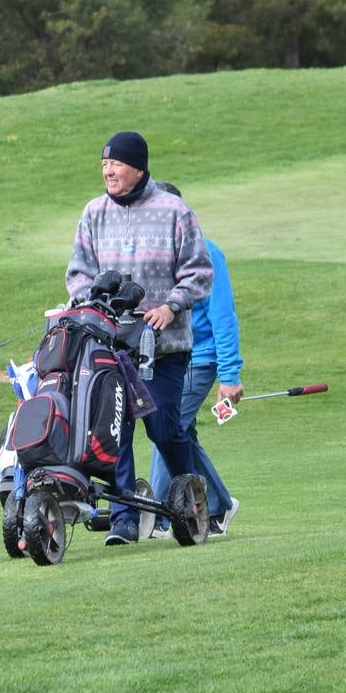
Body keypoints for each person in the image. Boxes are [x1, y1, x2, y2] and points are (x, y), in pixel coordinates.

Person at [66, 131, 212, 545]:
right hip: (111, 346)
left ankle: (190, 496)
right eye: (104, 165)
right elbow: (77, 273)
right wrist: (88, 302)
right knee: (116, 430)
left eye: (116, 164)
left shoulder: (174, 212)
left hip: (163, 348)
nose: (108, 171)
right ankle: (124, 519)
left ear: (139, 167)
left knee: (162, 429)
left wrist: (171, 305)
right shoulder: (93, 213)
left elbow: (199, 272)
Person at [146, 182, 241, 539]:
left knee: (166, 430)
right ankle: (217, 505)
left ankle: (157, 515)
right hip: (169, 361)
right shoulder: (158, 257)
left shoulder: (206, 254)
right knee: (182, 433)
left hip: (199, 360)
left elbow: (223, 317)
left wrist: (230, 376)